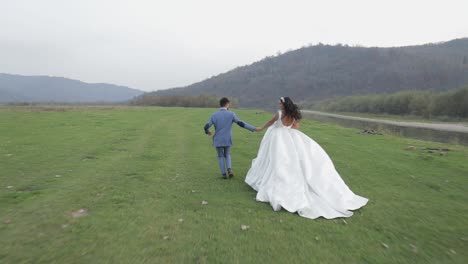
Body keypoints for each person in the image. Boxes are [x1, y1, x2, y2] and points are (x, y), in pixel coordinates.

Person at [245, 97, 368, 219]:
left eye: (280, 103)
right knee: (288, 160)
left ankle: (275, 182)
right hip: (289, 136)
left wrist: (260, 128)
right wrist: (288, 126)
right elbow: (296, 127)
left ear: (283, 104)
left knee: (276, 160)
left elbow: (270, 123)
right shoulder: (293, 115)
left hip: (278, 138)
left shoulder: (279, 114)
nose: (278, 104)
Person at [204, 97, 257, 179]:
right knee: (227, 154)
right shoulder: (231, 114)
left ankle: (224, 174)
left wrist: (207, 131)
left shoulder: (214, 115)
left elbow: (206, 126)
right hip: (227, 138)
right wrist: (253, 128)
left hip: (218, 139)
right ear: (227, 104)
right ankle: (229, 169)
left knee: (220, 156)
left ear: (220, 104)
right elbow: (240, 123)